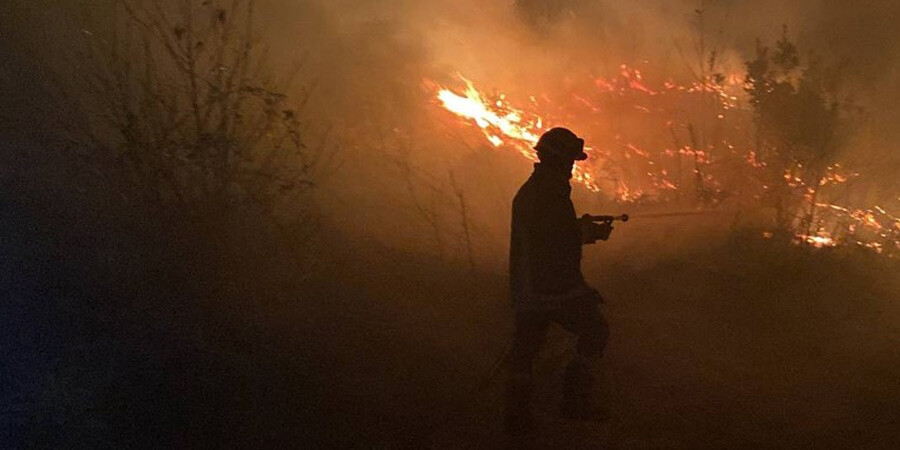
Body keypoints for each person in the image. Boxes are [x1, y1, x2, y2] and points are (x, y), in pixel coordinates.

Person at [506, 127, 611, 435]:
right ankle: (574, 402)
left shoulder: (536, 190)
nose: (572, 167)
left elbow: (554, 234)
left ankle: (517, 419)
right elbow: (558, 245)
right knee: (595, 330)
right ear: (559, 160)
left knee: (524, 352)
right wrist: (590, 234)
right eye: (570, 161)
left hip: (528, 286)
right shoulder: (550, 193)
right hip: (549, 288)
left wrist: (583, 228)